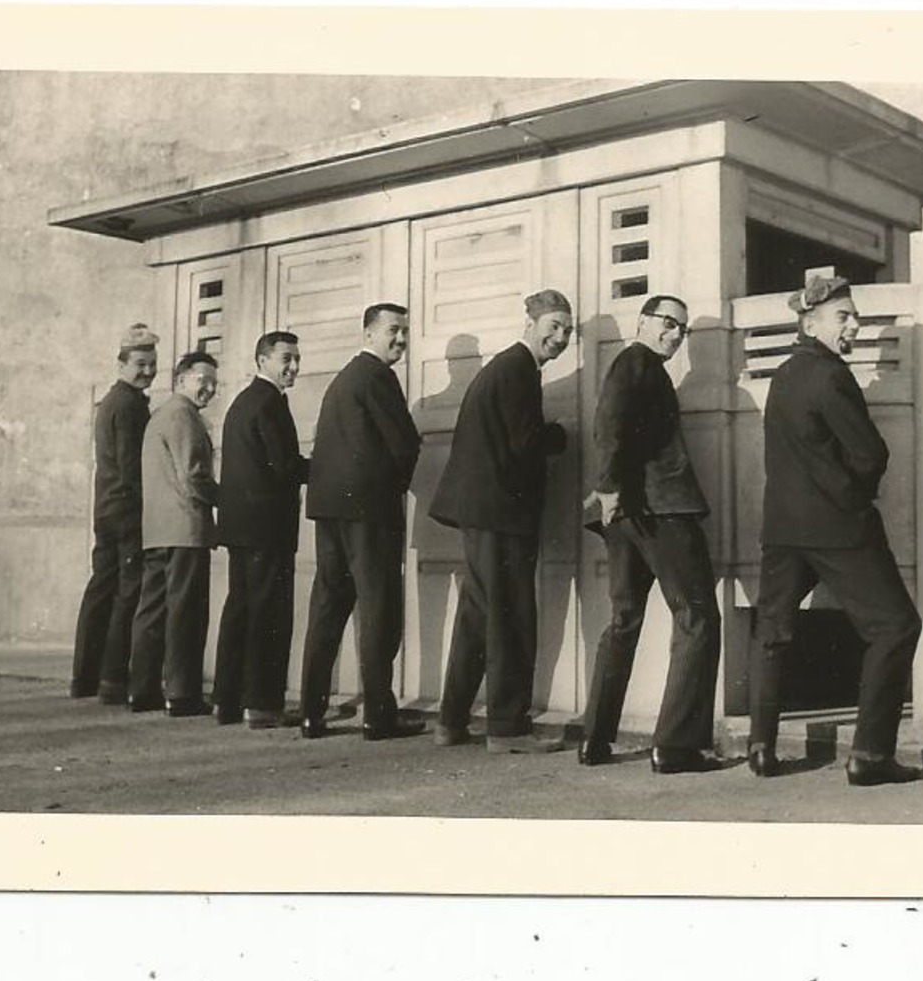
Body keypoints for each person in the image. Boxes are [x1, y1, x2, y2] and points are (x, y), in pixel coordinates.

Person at [747, 275, 923, 785]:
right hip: (838, 528)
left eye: (854, 316)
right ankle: (870, 757)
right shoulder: (831, 376)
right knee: (895, 627)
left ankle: (762, 748)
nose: (854, 324)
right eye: (843, 316)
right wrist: (853, 492)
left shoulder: (782, 376)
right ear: (810, 322)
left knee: (771, 633)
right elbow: (871, 454)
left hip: (781, 529)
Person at [580, 294, 723, 774]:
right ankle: (676, 747)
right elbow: (610, 424)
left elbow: (617, 430)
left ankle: (594, 741)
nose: (675, 335)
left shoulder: (639, 366)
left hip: (628, 513)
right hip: (660, 511)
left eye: (682, 330)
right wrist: (607, 487)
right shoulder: (636, 363)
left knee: (624, 620)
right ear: (642, 322)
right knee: (698, 616)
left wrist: (611, 491)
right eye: (668, 323)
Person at [430, 290, 574, 754]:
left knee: (478, 615)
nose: (560, 337)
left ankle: (451, 721)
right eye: (553, 326)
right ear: (529, 323)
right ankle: (508, 729)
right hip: (502, 514)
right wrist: (558, 434)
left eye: (567, 331)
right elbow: (525, 442)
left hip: (484, 513)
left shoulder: (507, 368)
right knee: (511, 615)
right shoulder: (517, 370)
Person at [298, 303, 425, 741]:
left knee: (328, 608)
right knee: (378, 610)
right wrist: (397, 486)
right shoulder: (377, 377)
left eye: (406, 332)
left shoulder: (344, 379)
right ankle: (377, 715)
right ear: (368, 333)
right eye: (393, 330)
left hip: (331, 511)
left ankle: (311, 713)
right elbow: (405, 445)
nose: (401, 340)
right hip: (369, 512)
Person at [211, 331, 308, 730]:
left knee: (241, 611)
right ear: (262, 360)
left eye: (297, 358)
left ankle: (228, 701)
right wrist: (331, 467)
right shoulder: (270, 403)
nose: (294, 367)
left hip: (241, 528)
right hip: (267, 529)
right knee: (269, 614)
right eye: (286, 358)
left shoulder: (244, 402)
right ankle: (265, 704)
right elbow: (284, 467)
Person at [128, 351, 219, 716]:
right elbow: (194, 475)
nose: (209, 389)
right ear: (181, 379)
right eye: (202, 380)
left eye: (213, 383)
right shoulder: (184, 416)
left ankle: (142, 689)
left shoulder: (160, 415)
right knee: (186, 613)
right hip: (185, 530)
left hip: (156, 530)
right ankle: (182, 694)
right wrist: (225, 498)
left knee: (152, 609)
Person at [70, 324, 157, 703]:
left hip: (105, 509)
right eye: (140, 364)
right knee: (127, 592)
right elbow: (130, 468)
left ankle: (84, 678)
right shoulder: (130, 405)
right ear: (121, 363)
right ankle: (112, 680)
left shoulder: (111, 401)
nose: (148, 371)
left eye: (152, 364)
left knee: (100, 589)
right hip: (125, 511)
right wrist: (145, 512)